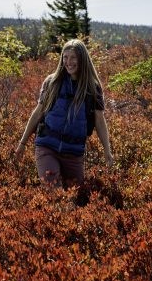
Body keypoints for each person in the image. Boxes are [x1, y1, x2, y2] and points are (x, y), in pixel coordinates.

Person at [15, 39, 113, 189]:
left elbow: (99, 121)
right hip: (47, 147)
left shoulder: (93, 88)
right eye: (65, 57)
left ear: (82, 59)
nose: (69, 62)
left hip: (74, 153)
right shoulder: (52, 82)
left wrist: (107, 150)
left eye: (73, 57)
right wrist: (22, 143)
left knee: (74, 196)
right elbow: (38, 113)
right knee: (55, 194)